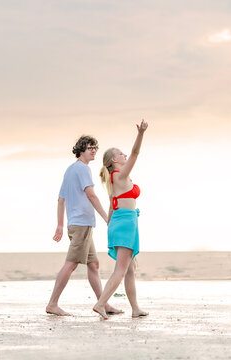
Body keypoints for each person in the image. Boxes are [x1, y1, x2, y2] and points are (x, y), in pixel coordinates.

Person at [46, 135, 123, 316]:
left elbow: (60, 199)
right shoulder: (82, 169)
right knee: (71, 264)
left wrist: (60, 225)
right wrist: (107, 217)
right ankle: (52, 304)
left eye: (95, 147)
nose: (94, 150)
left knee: (93, 264)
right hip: (80, 224)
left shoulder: (71, 170)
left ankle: (103, 304)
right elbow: (91, 195)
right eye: (90, 148)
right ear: (81, 150)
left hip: (81, 224)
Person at [93, 120, 149, 319]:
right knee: (122, 269)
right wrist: (141, 133)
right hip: (125, 223)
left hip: (122, 222)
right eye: (121, 154)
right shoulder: (120, 175)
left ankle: (135, 309)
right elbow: (135, 154)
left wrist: (110, 225)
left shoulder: (113, 179)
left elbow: (111, 205)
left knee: (130, 269)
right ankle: (100, 304)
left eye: (123, 153)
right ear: (115, 160)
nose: (125, 155)